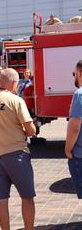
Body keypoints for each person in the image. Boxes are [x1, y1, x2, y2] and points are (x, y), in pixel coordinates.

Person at [0, 68, 36, 230]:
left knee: (1, 199)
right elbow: (31, 130)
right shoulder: (15, 100)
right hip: (16, 154)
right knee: (27, 197)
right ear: (13, 83)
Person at [65, 60, 82, 199]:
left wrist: (68, 149)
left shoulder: (79, 94)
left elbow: (75, 128)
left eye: (74, 74)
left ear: (80, 74)